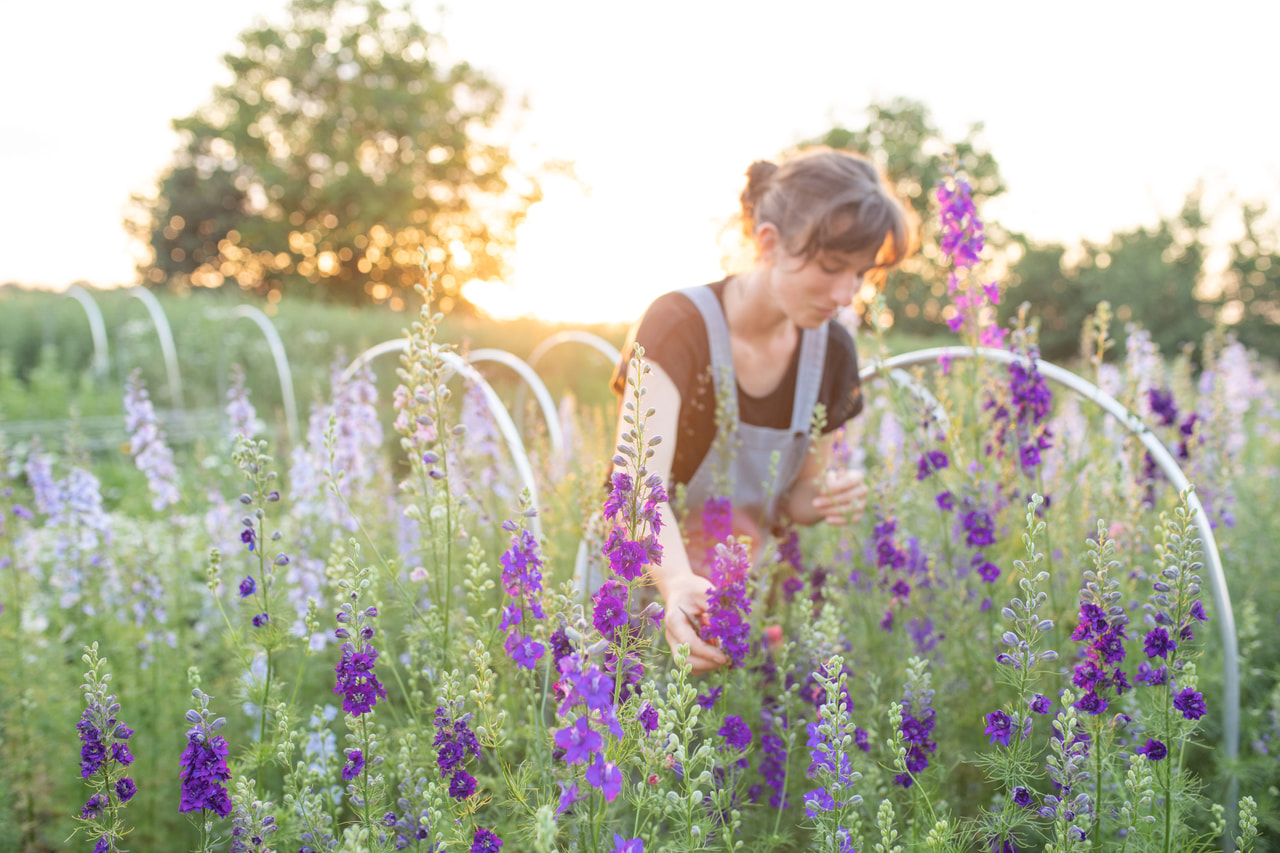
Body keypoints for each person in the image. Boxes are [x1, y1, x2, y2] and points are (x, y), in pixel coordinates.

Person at [607, 147, 913, 674]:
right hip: (640, 592)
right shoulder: (677, 325)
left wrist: (828, 497)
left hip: (737, 605)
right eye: (831, 267)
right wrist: (678, 581)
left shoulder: (832, 351)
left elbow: (795, 502)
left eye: (860, 274)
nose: (846, 295)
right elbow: (634, 486)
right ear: (770, 243)